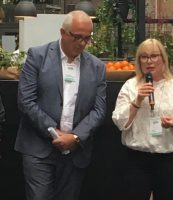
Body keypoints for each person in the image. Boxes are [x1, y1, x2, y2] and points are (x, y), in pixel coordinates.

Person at [15, 10, 107, 200]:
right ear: (63, 32)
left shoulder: (97, 67)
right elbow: (26, 100)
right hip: (39, 148)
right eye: (77, 37)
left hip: (75, 152)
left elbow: (99, 110)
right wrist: (54, 132)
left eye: (87, 38)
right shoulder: (37, 56)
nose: (82, 43)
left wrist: (75, 137)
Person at [112, 38, 173, 200]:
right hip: (137, 159)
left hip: (168, 159)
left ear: (163, 60)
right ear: (139, 61)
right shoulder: (130, 86)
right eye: (144, 57)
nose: (149, 61)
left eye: (154, 56)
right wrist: (136, 102)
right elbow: (119, 121)